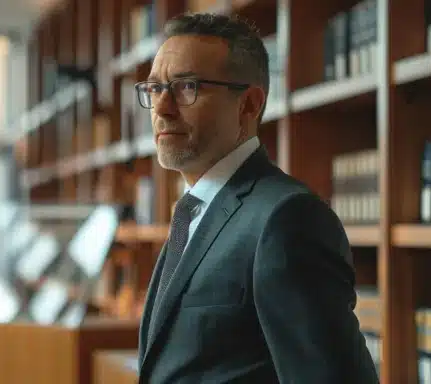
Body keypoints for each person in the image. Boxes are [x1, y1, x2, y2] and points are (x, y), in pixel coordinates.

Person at [134, 12, 380, 383]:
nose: (162, 109)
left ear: (248, 104)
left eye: (186, 87)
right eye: (154, 89)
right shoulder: (191, 214)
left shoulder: (287, 220)